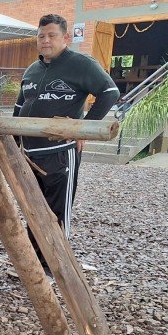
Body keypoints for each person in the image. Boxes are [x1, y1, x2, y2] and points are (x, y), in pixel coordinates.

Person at [14, 14, 119, 274]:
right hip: (28, 154)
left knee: (57, 210)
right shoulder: (32, 70)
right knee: (33, 208)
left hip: (59, 153)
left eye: (52, 35)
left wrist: (85, 128)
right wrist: (14, 143)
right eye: (41, 36)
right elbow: (18, 107)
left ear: (66, 38)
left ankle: (55, 267)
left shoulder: (81, 64)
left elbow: (110, 92)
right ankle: (36, 265)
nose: (45, 40)